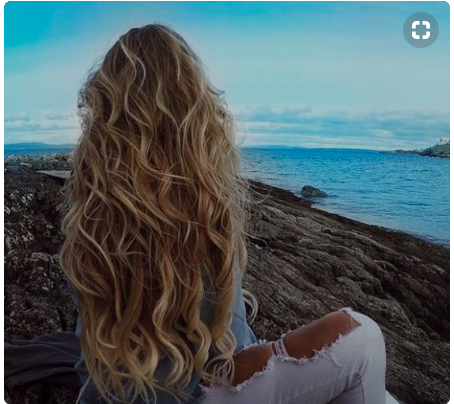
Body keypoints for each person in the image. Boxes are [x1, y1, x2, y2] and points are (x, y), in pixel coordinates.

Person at [59, 24, 399, 404]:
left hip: (108, 393)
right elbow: (229, 349)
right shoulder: (199, 208)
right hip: (191, 395)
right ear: (192, 107)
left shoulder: (90, 210)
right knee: (363, 335)